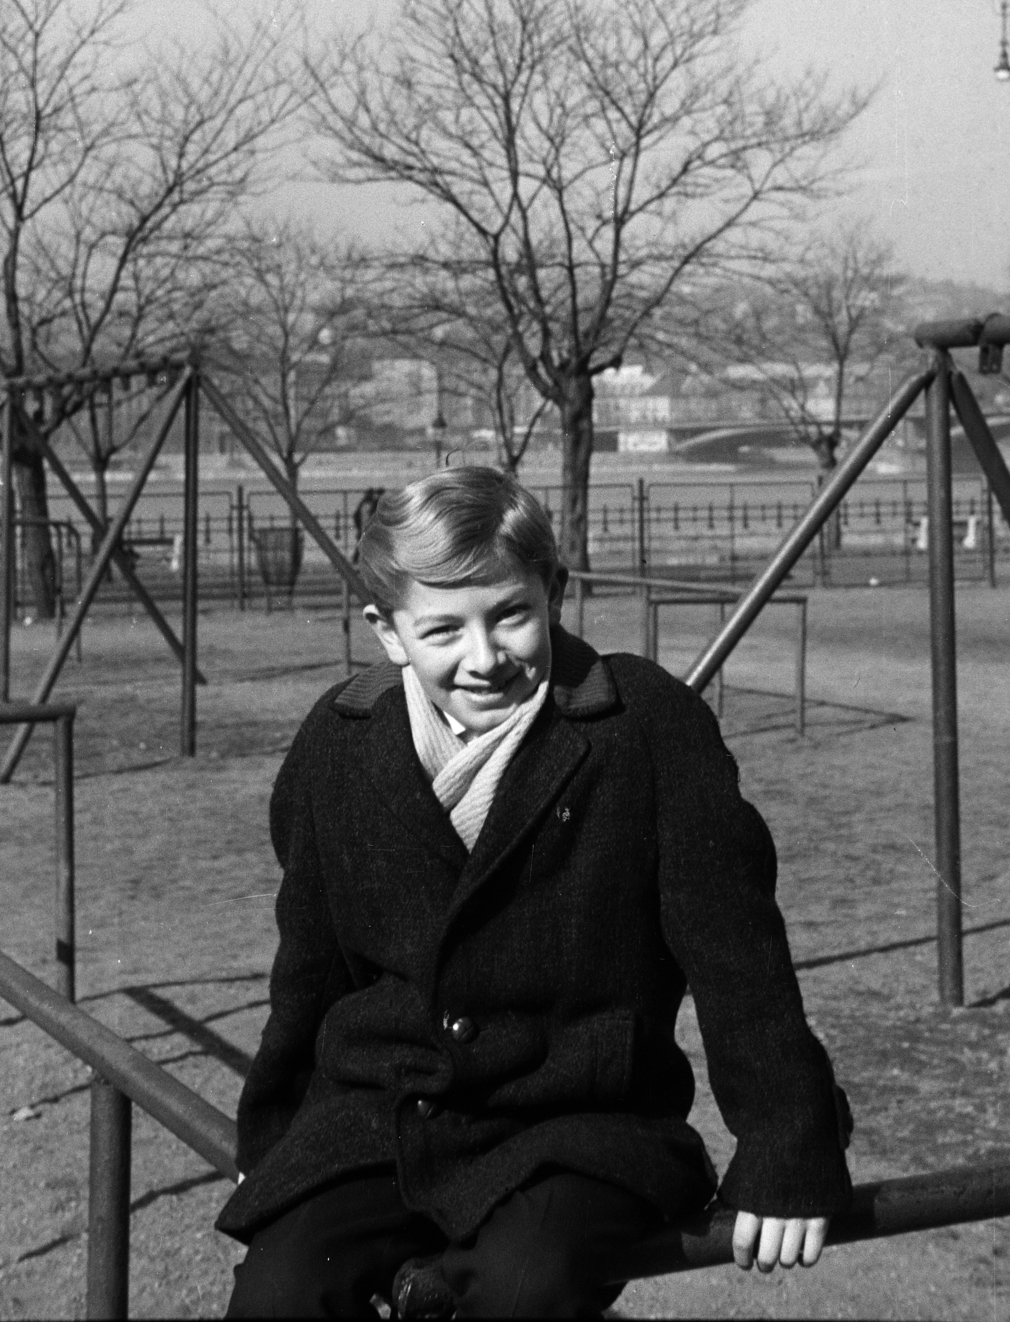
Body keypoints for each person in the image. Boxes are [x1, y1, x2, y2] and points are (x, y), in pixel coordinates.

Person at [217, 467, 851, 1317]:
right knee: (282, 1292)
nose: (484, 659)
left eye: (510, 615)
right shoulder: (341, 740)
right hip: (387, 1111)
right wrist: (276, 1138)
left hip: (581, 1124)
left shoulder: (642, 727)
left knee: (526, 1288)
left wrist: (786, 1142)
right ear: (389, 632)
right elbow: (311, 968)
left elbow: (739, 958)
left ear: (553, 592)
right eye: (442, 630)